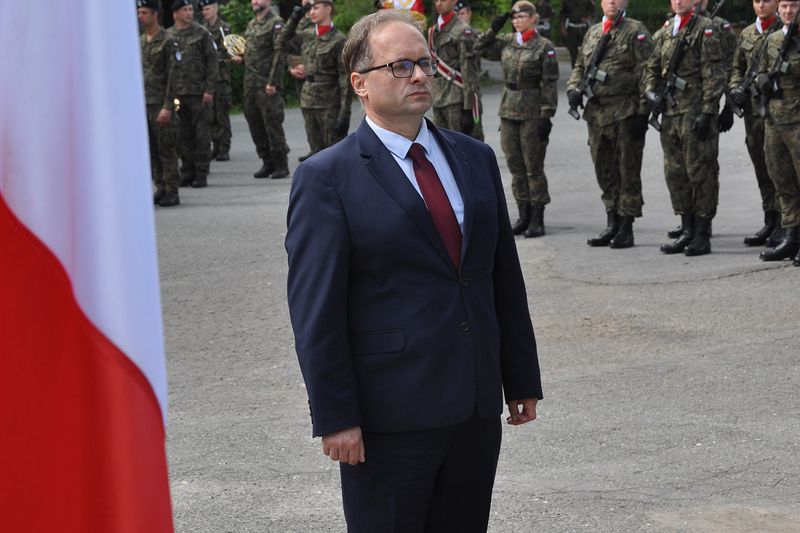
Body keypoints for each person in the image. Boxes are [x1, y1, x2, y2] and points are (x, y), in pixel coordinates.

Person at [285, 10, 543, 532]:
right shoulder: (326, 178)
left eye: (424, 62)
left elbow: (500, 278)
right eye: (401, 66)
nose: (421, 76)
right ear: (361, 83)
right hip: (390, 415)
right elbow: (317, 312)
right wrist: (336, 417)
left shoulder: (474, 158)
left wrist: (520, 377)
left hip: (474, 405)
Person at [567, 0, 653, 248]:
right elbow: (581, 66)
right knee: (604, 169)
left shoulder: (636, 30)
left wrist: (642, 113)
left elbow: (648, 72)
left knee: (627, 170)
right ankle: (611, 222)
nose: (612, 2)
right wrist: (573, 89)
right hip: (596, 114)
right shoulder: (594, 31)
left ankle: (626, 226)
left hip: (625, 112)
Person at [644, 0, 726, 256]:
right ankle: (687, 229)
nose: (678, 1)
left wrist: (708, 111)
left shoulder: (706, 28)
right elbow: (652, 67)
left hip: (694, 112)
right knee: (676, 173)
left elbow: (714, 73)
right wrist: (649, 93)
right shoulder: (667, 30)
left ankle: (702, 233)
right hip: (670, 113)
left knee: (700, 171)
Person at [476, 2, 559, 238]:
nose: (516, 21)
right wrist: (493, 30)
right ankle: (523, 215)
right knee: (515, 166)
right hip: (509, 109)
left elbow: (550, 84)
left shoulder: (544, 46)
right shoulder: (507, 41)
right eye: (513, 18)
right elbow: (480, 48)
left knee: (533, 166)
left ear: (533, 18)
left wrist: (547, 115)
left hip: (533, 112)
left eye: (521, 17)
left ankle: (537, 218)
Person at [268, 0, 353, 157]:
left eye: (316, 8)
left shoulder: (339, 40)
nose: (312, 12)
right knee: (316, 153)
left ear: (328, 9)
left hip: (329, 104)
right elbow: (280, 41)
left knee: (335, 153)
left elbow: (345, 80)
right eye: (310, 9)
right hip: (308, 101)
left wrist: (345, 114)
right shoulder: (307, 35)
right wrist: (294, 19)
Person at [729, 0, 781, 247]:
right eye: (757, 1)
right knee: (761, 167)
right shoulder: (748, 33)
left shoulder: (785, 29)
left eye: (767, 1)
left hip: (776, 111)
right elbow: (736, 67)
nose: (761, 5)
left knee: (780, 169)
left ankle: (785, 224)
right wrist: (734, 89)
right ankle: (770, 221)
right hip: (752, 112)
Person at [757, 0, 800, 264]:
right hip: (774, 119)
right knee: (782, 181)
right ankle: (791, 237)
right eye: (783, 6)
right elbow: (760, 70)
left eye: (794, 6)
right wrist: (761, 81)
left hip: (797, 119)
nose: (787, 12)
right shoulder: (772, 39)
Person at [231, 0, 290, 180]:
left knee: (272, 124)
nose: (256, 1)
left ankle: (281, 163)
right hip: (250, 84)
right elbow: (250, 53)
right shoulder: (251, 25)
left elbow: (279, 54)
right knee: (255, 124)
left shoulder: (276, 23)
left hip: (267, 85)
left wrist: (273, 82)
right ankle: (267, 161)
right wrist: (241, 59)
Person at [167, 0, 218, 189]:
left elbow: (212, 63)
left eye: (190, 9)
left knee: (201, 134)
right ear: (175, 14)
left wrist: (209, 89)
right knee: (182, 134)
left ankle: (201, 172)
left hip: (198, 93)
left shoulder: (202, 33)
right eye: (184, 10)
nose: (189, 13)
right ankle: (187, 170)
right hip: (177, 93)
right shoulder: (169, 35)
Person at [138, 0, 182, 207]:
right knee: (153, 150)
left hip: (161, 104)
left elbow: (174, 76)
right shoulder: (140, 42)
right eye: (139, 13)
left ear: (155, 15)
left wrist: (168, 106)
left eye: (144, 12)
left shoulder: (167, 41)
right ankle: (161, 187)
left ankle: (172, 190)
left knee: (167, 149)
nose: (140, 17)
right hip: (145, 104)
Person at [429, 0, 483, 140]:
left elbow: (469, 72)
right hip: (438, 99)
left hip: (457, 100)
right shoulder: (433, 31)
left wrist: (468, 108)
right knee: (442, 148)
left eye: (444, 0)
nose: (439, 3)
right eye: (436, 0)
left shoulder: (463, 31)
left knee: (461, 148)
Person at [276, 0, 316, 162]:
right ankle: (314, 148)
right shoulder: (299, 21)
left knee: (325, 119)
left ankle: (322, 150)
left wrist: (308, 66)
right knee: (308, 116)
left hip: (319, 77)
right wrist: (290, 68)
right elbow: (283, 41)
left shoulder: (319, 18)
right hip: (300, 74)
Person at [200, 0, 233, 162]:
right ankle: (216, 145)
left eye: (207, 9)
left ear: (215, 9)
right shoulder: (202, 29)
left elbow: (229, 50)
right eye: (203, 10)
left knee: (221, 114)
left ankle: (224, 147)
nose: (205, 12)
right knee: (210, 114)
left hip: (221, 77)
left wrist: (216, 60)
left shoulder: (223, 28)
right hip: (208, 79)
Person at [454, 0, 485, 141]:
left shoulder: (475, 35)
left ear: (469, 14)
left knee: (475, 134)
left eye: (462, 13)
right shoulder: (450, 34)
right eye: (457, 14)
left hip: (471, 91)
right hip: (453, 92)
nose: (459, 16)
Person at [560, 0, 596, 68]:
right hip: (571, 27)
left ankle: (586, 68)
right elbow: (562, 14)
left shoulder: (586, 1)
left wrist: (588, 19)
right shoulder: (566, 2)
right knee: (572, 50)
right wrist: (563, 28)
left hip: (582, 27)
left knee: (587, 48)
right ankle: (575, 69)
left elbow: (593, 11)